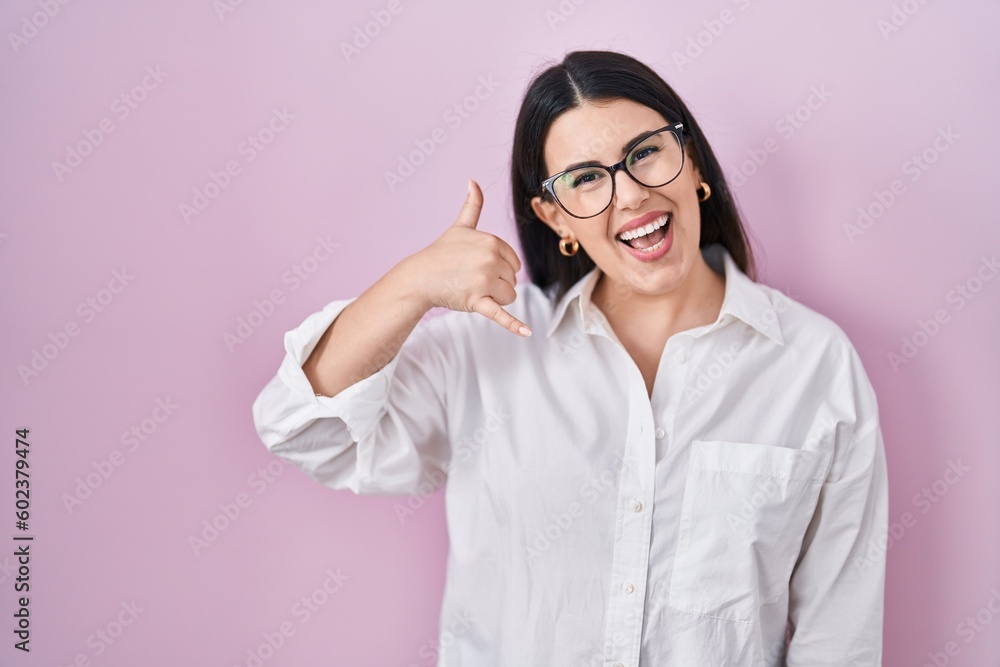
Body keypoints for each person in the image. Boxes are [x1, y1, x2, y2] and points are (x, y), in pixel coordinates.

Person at [251, 49, 888, 666]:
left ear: (693, 165)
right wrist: (411, 284)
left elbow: (839, 634)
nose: (632, 195)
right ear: (555, 216)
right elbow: (302, 427)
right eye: (587, 179)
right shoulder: (488, 350)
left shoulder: (813, 364)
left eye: (645, 154)